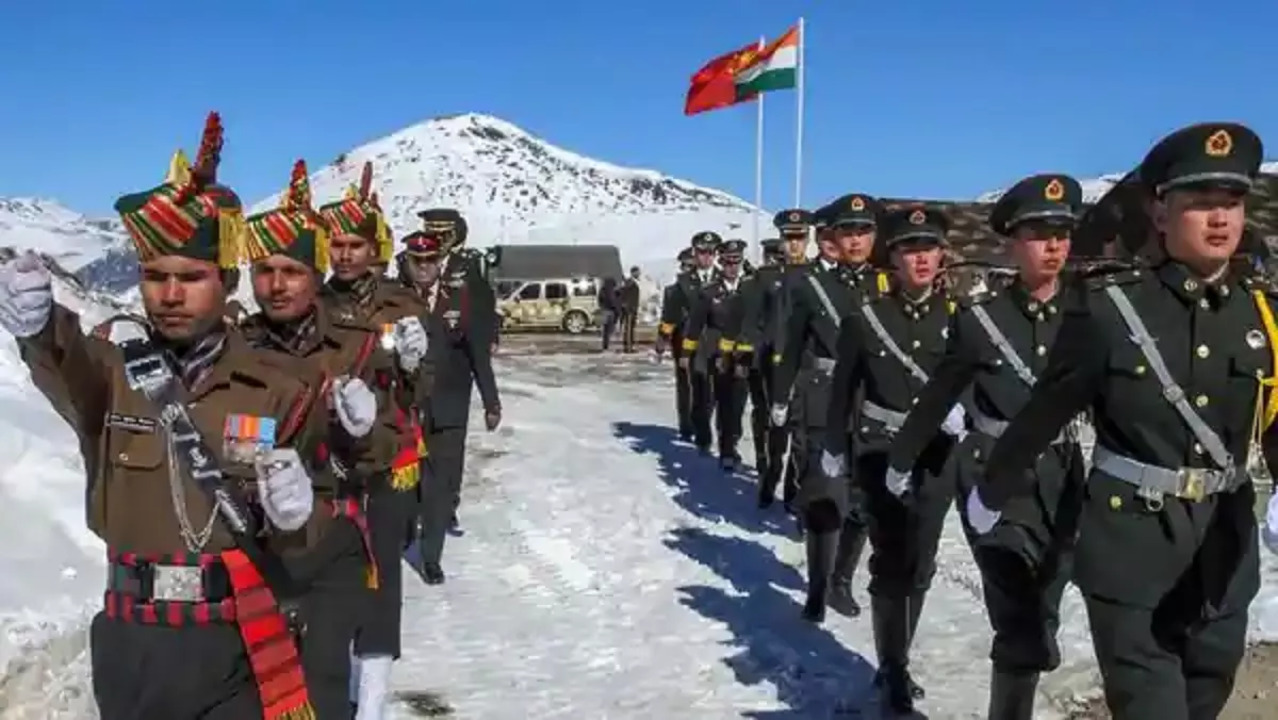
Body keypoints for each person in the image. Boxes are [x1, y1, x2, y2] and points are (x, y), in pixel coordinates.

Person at [2, 112, 326, 719]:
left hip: (237, 638)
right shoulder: (114, 371)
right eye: (154, 277)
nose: (170, 294)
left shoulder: (279, 388)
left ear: (227, 282)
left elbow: (313, 530)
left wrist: (301, 513)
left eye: (191, 277)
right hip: (134, 642)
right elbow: (67, 360)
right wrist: (40, 327)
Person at [973, 122, 1278, 720]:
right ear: (1159, 213)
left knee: (1205, 696)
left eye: (1232, 202)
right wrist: (991, 491)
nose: (1220, 218)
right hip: (1131, 547)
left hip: (1225, 546)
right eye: (1200, 203)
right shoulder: (1110, 310)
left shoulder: (1261, 314)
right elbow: (1045, 412)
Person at [885, 174, 1086, 719]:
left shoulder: (1091, 318)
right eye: (1039, 234)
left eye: (1062, 233)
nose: (1053, 246)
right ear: (1010, 244)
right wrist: (902, 459)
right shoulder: (982, 322)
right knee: (1018, 618)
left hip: (1064, 478)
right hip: (993, 478)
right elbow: (937, 396)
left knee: (1045, 609)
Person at [239, 159, 407, 717]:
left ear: (314, 276)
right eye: (264, 270)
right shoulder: (233, 348)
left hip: (330, 538)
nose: (277, 284)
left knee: (321, 682)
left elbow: (388, 444)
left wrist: (363, 432)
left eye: (291, 270)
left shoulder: (354, 346)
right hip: (252, 545)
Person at [823, 205, 960, 713]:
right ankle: (893, 668)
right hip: (881, 453)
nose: (921, 258)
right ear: (893, 258)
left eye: (929, 248)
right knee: (891, 562)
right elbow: (843, 391)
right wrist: (836, 444)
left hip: (939, 457)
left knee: (922, 563)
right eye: (909, 249)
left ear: (941, 255)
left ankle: (899, 653)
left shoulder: (960, 319)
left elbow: (978, 382)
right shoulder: (868, 320)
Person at [318, 161, 428, 720]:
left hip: (387, 462)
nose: (343, 254)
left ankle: (375, 701)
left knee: (380, 576)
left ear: (373, 248)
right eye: (335, 243)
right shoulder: (311, 306)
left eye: (353, 244)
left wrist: (413, 365)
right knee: (332, 577)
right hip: (329, 464)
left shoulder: (402, 305)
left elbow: (426, 384)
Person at [771, 198, 878, 621]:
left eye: (863, 231)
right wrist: (781, 398)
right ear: (832, 237)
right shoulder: (810, 286)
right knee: (824, 499)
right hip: (823, 398)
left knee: (863, 500)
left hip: (871, 400)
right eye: (848, 232)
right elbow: (793, 346)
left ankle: (841, 581)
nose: (856, 240)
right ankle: (817, 585)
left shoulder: (883, 286)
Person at [400, 213, 501, 586]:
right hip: (406, 406)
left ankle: (431, 557)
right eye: (417, 261)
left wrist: (491, 401)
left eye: (430, 261)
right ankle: (406, 532)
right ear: (408, 262)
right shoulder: (395, 298)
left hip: (450, 404)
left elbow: (477, 352)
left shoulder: (461, 294)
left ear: (439, 262)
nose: (424, 268)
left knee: (441, 485)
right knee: (406, 479)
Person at [683, 239, 752, 470]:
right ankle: (726, 450)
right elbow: (695, 324)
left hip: (743, 353)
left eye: (736, 262)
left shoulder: (750, 288)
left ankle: (731, 442)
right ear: (720, 262)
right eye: (727, 262)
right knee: (722, 401)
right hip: (718, 355)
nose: (732, 267)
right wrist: (687, 352)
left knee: (739, 403)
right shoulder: (709, 291)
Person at [659, 231, 722, 451]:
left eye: (710, 252)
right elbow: (671, 313)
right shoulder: (684, 282)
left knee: (716, 392)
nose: (706, 257)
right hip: (691, 343)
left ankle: (708, 425)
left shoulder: (725, 279)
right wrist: (663, 338)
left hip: (718, 343)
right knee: (698, 387)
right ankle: (701, 433)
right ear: (695, 253)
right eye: (702, 252)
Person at [736, 237, 786, 493]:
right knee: (764, 411)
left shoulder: (801, 277)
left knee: (780, 416)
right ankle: (765, 459)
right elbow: (750, 321)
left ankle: (773, 463)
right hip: (764, 358)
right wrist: (746, 355)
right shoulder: (759, 281)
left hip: (788, 359)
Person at [657, 247, 698, 439]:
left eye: (691, 266)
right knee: (685, 385)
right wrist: (662, 341)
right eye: (685, 265)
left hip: (704, 343)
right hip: (681, 342)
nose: (687, 269)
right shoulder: (672, 291)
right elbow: (668, 319)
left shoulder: (708, 287)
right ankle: (686, 424)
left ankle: (701, 422)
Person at [619, 266, 642, 353]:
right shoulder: (630, 282)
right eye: (638, 272)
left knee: (630, 329)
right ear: (633, 273)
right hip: (630, 310)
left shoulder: (632, 282)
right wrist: (626, 305)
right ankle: (628, 348)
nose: (639, 274)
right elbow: (623, 293)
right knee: (628, 329)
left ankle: (630, 346)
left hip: (632, 309)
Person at [598, 276, 620, 350]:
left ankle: (605, 344)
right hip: (611, 311)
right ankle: (606, 344)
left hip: (604, 310)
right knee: (609, 329)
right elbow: (614, 301)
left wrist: (601, 307)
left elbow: (599, 300)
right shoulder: (612, 291)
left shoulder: (602, 290)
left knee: (605, 329)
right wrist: (617, 310)